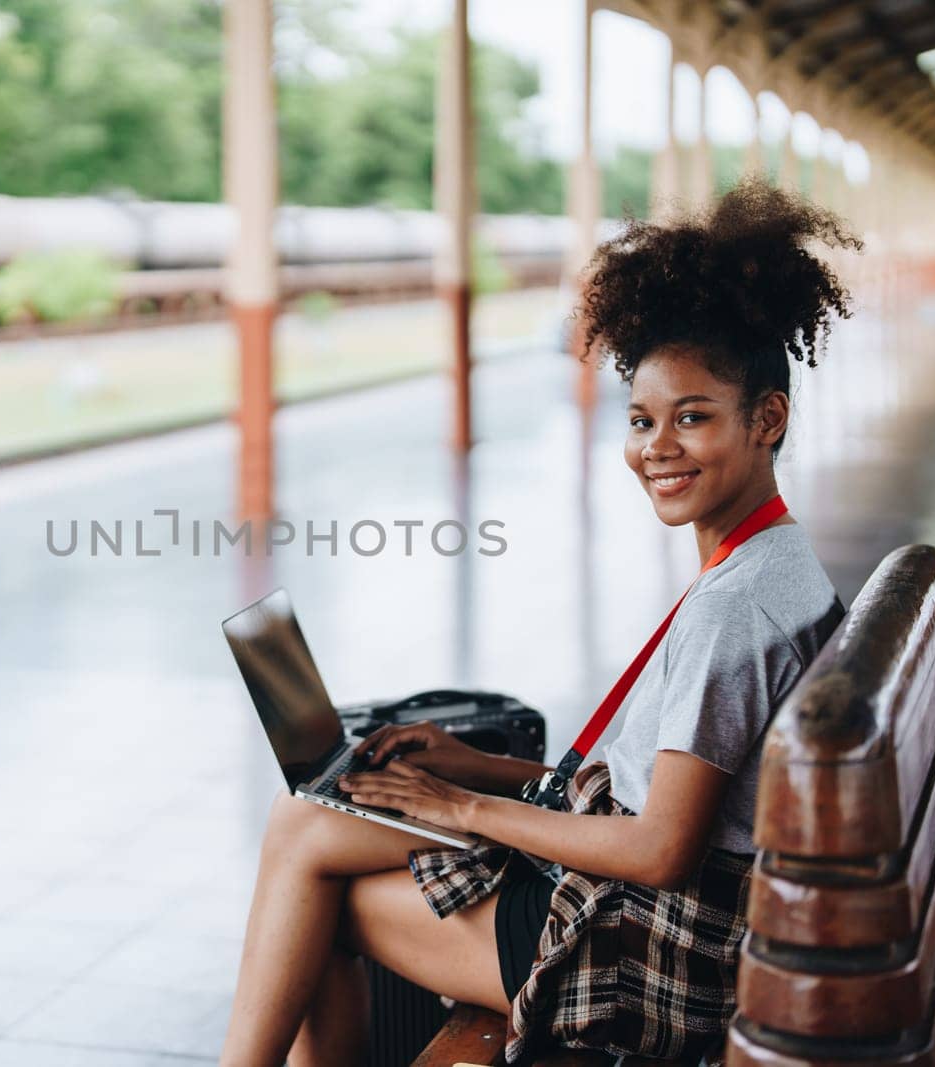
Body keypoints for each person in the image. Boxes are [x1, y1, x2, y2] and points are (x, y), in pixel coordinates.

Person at [219, 176, 861, 1066]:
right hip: (659, 901)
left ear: (768, 420)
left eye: (694, 418)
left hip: (648, 944)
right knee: (308, 827)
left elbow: (662, 844)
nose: (658, 447)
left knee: (311, 881)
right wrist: (468, 763)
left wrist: (464, 803)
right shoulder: (766, 561)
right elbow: (650, 786)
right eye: (641, 418)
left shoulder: (737, 603)